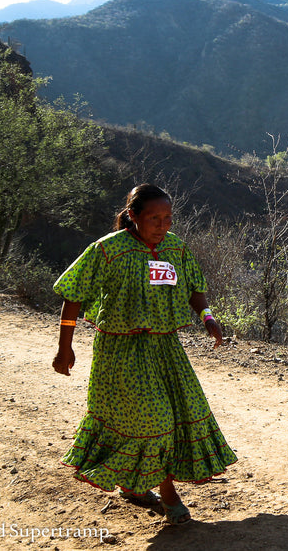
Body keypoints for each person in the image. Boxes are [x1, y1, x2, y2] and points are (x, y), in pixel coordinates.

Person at [52, 183, 237, 524]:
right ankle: (168, 495)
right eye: (154, 218)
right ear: (133, 216)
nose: (162, 226)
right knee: (155, 423)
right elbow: (72, 293)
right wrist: (65, 347)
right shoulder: (109, 250)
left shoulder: (175, 247)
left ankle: (135, 486)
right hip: (121, 350)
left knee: (183, 413)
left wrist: (208, 318)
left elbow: (195, 286)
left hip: (166, 348)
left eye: (167, 218)